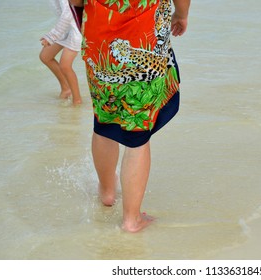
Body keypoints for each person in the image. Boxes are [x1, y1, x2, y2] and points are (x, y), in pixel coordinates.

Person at [69, 0, 190, 232]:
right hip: (143, 32)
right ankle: (131, 220)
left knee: (104, 120)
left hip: (100, 36)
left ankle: (106, 192)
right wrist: (181, 14)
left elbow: (75, 1)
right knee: (137, 135)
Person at [40, 0, 82, 105]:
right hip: (66, 28)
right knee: (45, 56)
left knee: (65, 66)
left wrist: (51, 36)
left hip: (77, 28)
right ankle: (66, 89)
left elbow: (68, 15)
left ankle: (77, 100)